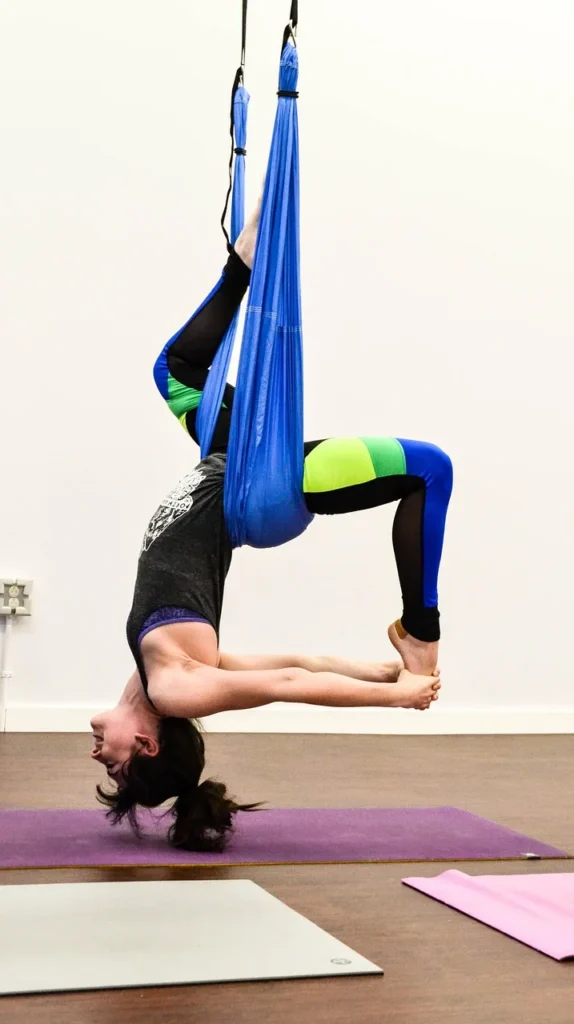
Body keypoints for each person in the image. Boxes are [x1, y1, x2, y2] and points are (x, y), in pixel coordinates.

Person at [91, 197, 453, 851]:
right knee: (430, 470)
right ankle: (420, 631)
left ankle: (244, 267)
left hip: (234, 462)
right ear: (146, 743)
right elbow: (284, 686)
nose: (98, 754)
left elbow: (290, 660)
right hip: (259, 492)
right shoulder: (173, 689)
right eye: (116, 763)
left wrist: (364, 670)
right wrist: (397, 697)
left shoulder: (157, 674)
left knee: (175, 374)